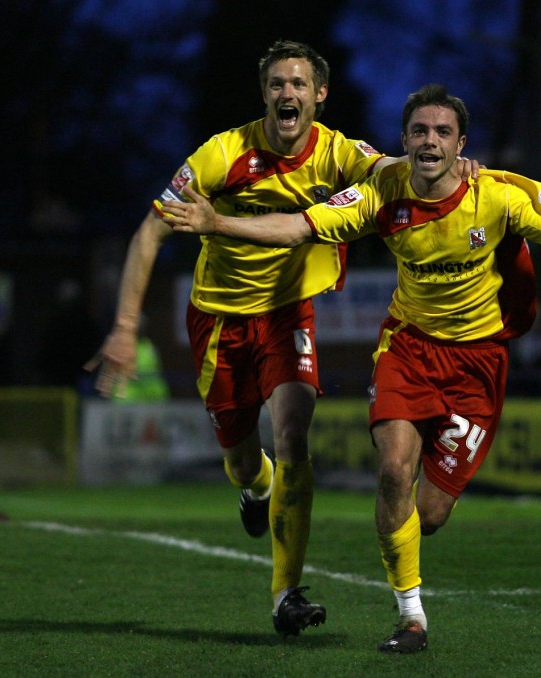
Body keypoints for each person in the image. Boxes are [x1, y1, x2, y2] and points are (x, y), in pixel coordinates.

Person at [160, 83, 541, 653]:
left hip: (478, 363)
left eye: (443, 132)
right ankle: (411, 618)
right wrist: (218, 223)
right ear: (404, 141)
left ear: (461, 144)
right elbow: (299, 226)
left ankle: (408, 560)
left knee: (427, 514)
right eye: (420, 131)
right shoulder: (382, 189)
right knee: (392, 471)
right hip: (407, 348)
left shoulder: (502, 195)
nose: (430, 141)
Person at [84, 41, 481, 638]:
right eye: (276, 84)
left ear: (319, 94)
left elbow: (394, 173)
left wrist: (453, 167)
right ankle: (257, 485)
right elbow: (149, 233)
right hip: (217, 318)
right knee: (244, 460)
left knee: (294, 433)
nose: (287, 94)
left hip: (287, 315)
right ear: (264, 92)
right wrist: (122, 328)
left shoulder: (340, 153)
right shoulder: (222, 154)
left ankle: (285, 594)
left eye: (298, 84)